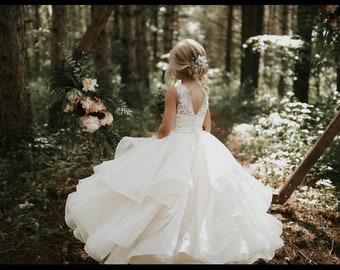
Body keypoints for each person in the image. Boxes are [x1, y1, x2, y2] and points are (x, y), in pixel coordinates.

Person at [65, 39, 284, 264]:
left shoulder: (175, 91)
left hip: (177, 144)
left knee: (163, 194)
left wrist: (155, 141)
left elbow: (166, 128)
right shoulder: (204, 93)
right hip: (202, 144)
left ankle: (160, 246)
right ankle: (198, 246)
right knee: (200, 197)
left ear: (177, 66)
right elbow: (207, 127)